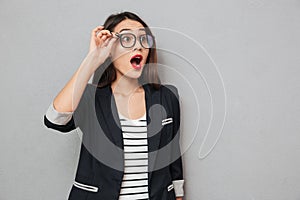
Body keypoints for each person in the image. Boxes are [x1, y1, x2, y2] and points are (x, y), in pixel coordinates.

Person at [43, 11, 184, 200]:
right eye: (127, 38)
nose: (138, 46)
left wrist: (179, 195)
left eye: (144, 39)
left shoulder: (167, 97)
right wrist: (92, 59)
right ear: (109, 48)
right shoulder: (91, 97)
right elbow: (55, 119)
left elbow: (173, 158)